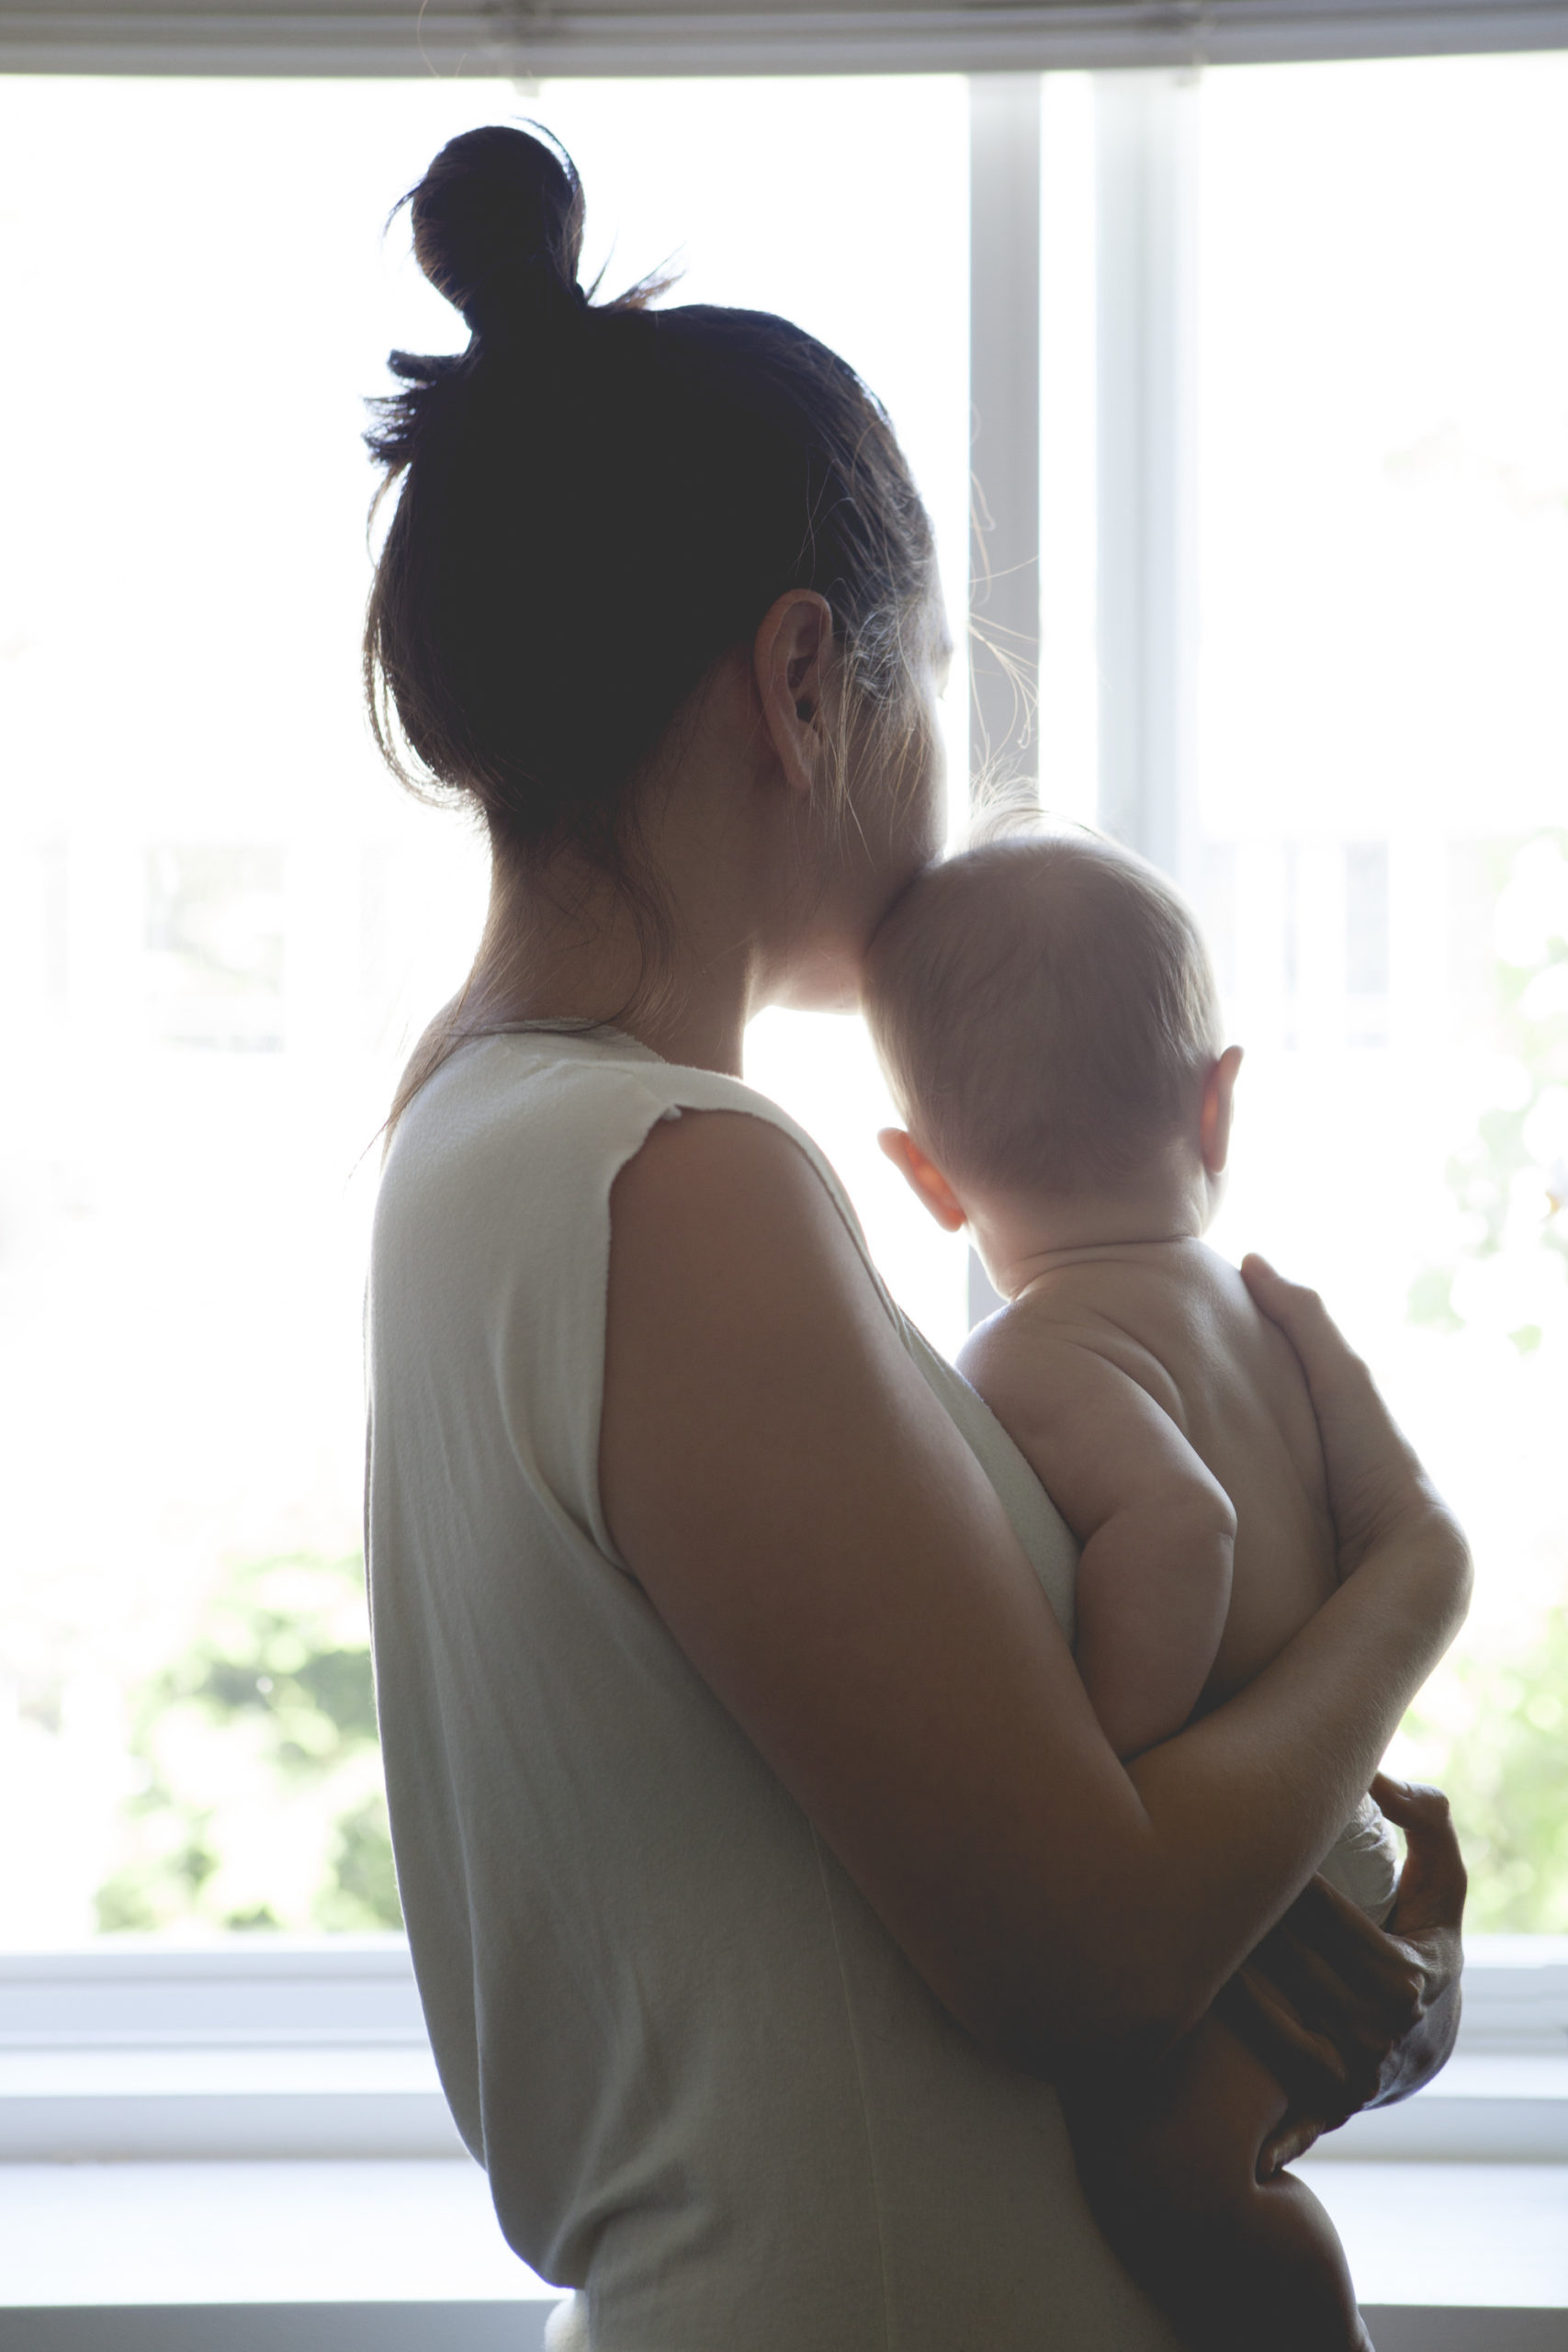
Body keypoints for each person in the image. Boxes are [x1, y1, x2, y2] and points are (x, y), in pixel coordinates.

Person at [362, 122, 1470, 2352]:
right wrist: (1403, 1591)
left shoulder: (480, 1127)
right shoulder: (676, 1177)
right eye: (932, 671)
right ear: (801, 680)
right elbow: (1076, 1951)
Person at [864, 830, 1442, 2347]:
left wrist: (1111, 1770)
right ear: (1217, 1101)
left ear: (923, 1177)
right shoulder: (1249, 1314)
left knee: (1175, 2180)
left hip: (1268, 1892)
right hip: (1350, 1843)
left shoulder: (1033, 1354)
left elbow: (1179, 1526)